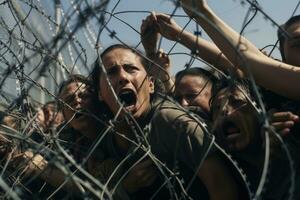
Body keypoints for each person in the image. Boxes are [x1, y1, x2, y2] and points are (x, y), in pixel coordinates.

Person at [92, 43, 251, 199]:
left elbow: (223, 190)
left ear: (151, 84)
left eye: (131, 68)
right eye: (111, 72)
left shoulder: (173, 122)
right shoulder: (107, 136)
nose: (122, 77)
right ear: (100, 93)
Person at [180, 0, 300, 101]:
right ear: (283, 52)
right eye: (298, 43)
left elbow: (248, 60)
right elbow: (230, 60)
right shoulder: (272, 88)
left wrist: (201, 12)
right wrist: (177, 33)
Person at [209, 78, 300, 199]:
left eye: (236, 101)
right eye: (217, 108)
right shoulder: (231, 178)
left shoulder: (290, 140)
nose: (224, 110)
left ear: (261, 110)